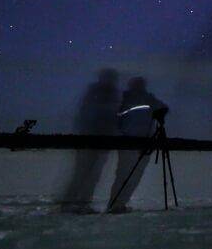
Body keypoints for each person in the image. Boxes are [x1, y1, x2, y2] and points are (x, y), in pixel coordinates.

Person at [58, 69, 119, 213]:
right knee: (83, 173)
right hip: (92, 139)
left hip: (100, 139)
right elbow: (90, 114)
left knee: (90, 174)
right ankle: (72, 202)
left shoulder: (107, 93)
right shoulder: (97, 93)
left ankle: (80, 202)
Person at [106, 76, 169, 214]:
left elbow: (163, 107)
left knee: (128, 174)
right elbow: (163, 108)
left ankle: (117, 203)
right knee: (128, 174)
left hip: (138, 143)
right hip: (133, 142)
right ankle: (117, 204)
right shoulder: (137, 100)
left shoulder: (134, 99)